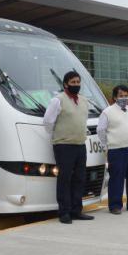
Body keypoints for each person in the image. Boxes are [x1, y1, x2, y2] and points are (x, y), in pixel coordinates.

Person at [43, 71, 94, 224]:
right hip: (63, 145)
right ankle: (64, 212)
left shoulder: (84, 100)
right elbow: (47, 122)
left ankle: (76, 210)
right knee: (65, 179)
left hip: (80, 144)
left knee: (79, 178)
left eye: (78, 82)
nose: (76, 85)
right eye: (73, 82)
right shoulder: (58, 100)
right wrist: (59, 134)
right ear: (65, 84)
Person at [98, 85, 128, 214]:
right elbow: (101, 130)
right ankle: (115, 205)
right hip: (116, 150)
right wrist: (106, 146)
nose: (124, 98)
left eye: (126, 96)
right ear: (114, 97)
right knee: (116, 179)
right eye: (121, 96)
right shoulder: (107, 112)